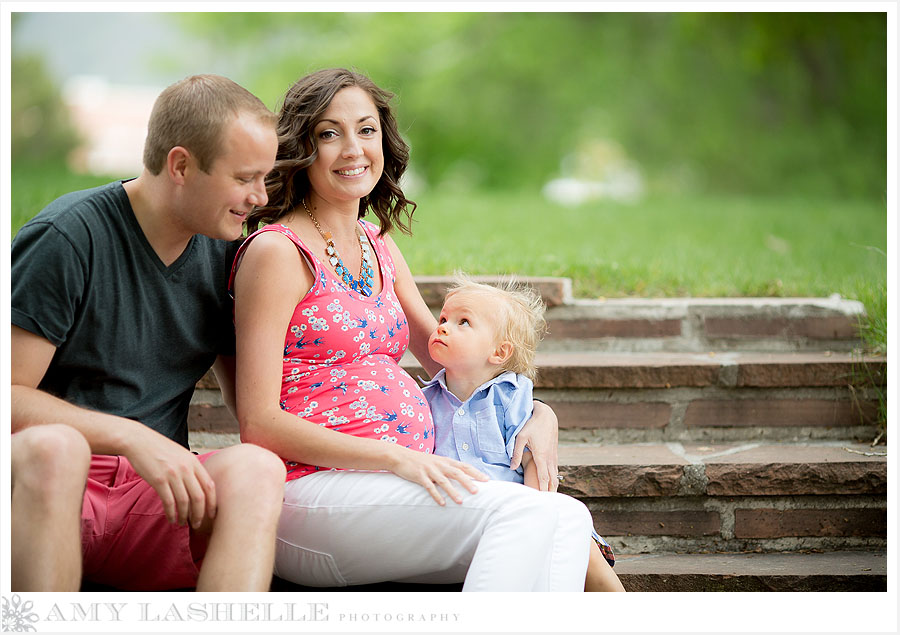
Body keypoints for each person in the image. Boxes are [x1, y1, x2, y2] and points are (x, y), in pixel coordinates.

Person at [230, 68, 592, 590]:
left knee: (568, 519)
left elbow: (450, 356)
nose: (353, 148)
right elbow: (258, 423)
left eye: (367, 129)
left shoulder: (378, 244)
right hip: (311, 494)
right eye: (329, 133)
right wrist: (394, 458)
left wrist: (539, 412)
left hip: (396, 489)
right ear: (301, 148)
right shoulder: (277, 252)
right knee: (529, 514)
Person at [10, 75, 287, 592]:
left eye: (264, 177)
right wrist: (132, 436)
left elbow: (256, 409)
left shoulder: (228, 252)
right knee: (56, 450)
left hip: (154, 498)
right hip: (46, 491)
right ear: (180, 165)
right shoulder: (67, 238)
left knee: (257, 470)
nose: (259, 196)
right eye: (245, 177)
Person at [423, 274, 626, 592]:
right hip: (460, 512)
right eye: (444, 318)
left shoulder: (509, 397)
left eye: (464, 322)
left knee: (578, 542)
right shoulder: (424, 400)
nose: (444, 327)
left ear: (499, 353)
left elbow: (532, 459)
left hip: (520, 507)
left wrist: (538, 515)